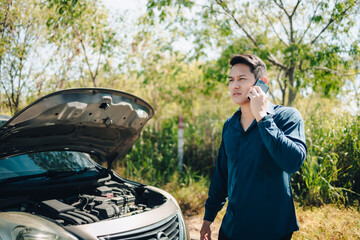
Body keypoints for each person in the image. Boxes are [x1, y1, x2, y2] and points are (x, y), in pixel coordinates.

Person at [200, 54, 307, 240]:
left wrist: (263, 118)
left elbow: (292, 162)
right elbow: (221, 175)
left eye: (242, 79)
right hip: (232, 229)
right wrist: (208, 218)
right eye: (231, 79)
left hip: (272, 230)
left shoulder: (287, 117)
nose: (235, 85)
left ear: (261, 82)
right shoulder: (230, 126)